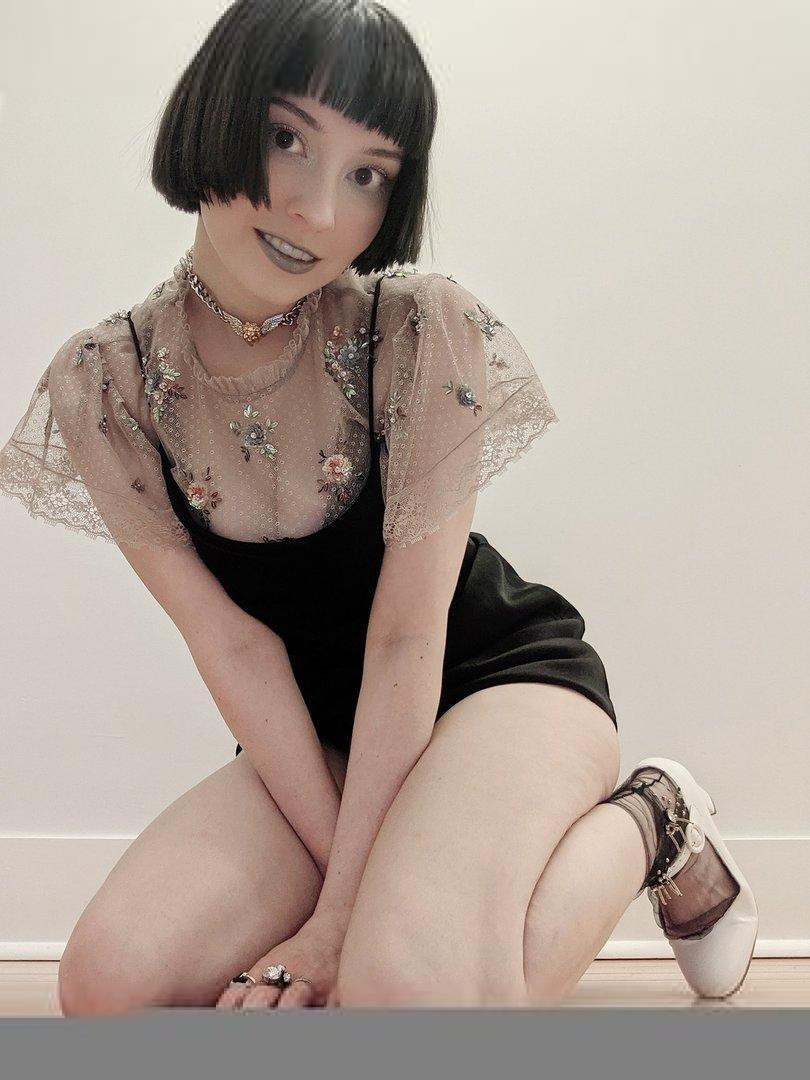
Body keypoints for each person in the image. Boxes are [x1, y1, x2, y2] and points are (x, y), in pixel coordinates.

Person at [0, 0, 756, 1012]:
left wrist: (344, 921)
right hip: (320, 731)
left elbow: (408, 634)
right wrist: (339, 900)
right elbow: (234, 646)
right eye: (287, 138)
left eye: (369, 175)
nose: (317, 210)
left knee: (406, 991)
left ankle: (654, 817)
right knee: (109, 986)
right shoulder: (107, 382)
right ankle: (405, 915)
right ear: (215, 111)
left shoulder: (416, 331)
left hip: (493, 683)